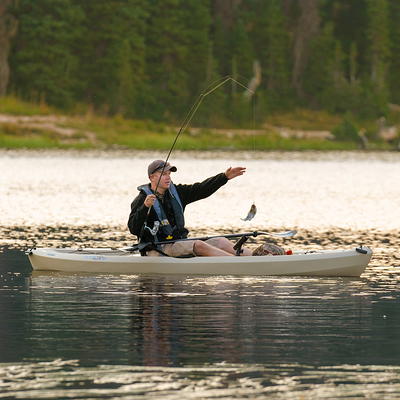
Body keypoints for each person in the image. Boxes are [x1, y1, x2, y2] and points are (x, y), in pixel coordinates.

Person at [127, 159, 253, 257]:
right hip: (156, 248)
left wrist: (224, 177)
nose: (168, 177)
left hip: (178, 243)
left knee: (220, 241)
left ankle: (259, 257)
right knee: (198, 245)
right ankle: (236, 263)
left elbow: (201, 189)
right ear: (152, 177)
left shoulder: (177, 193)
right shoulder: (141, 200)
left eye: (169, 173)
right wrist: (145, 207)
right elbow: (133, 228)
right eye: (163, 174)